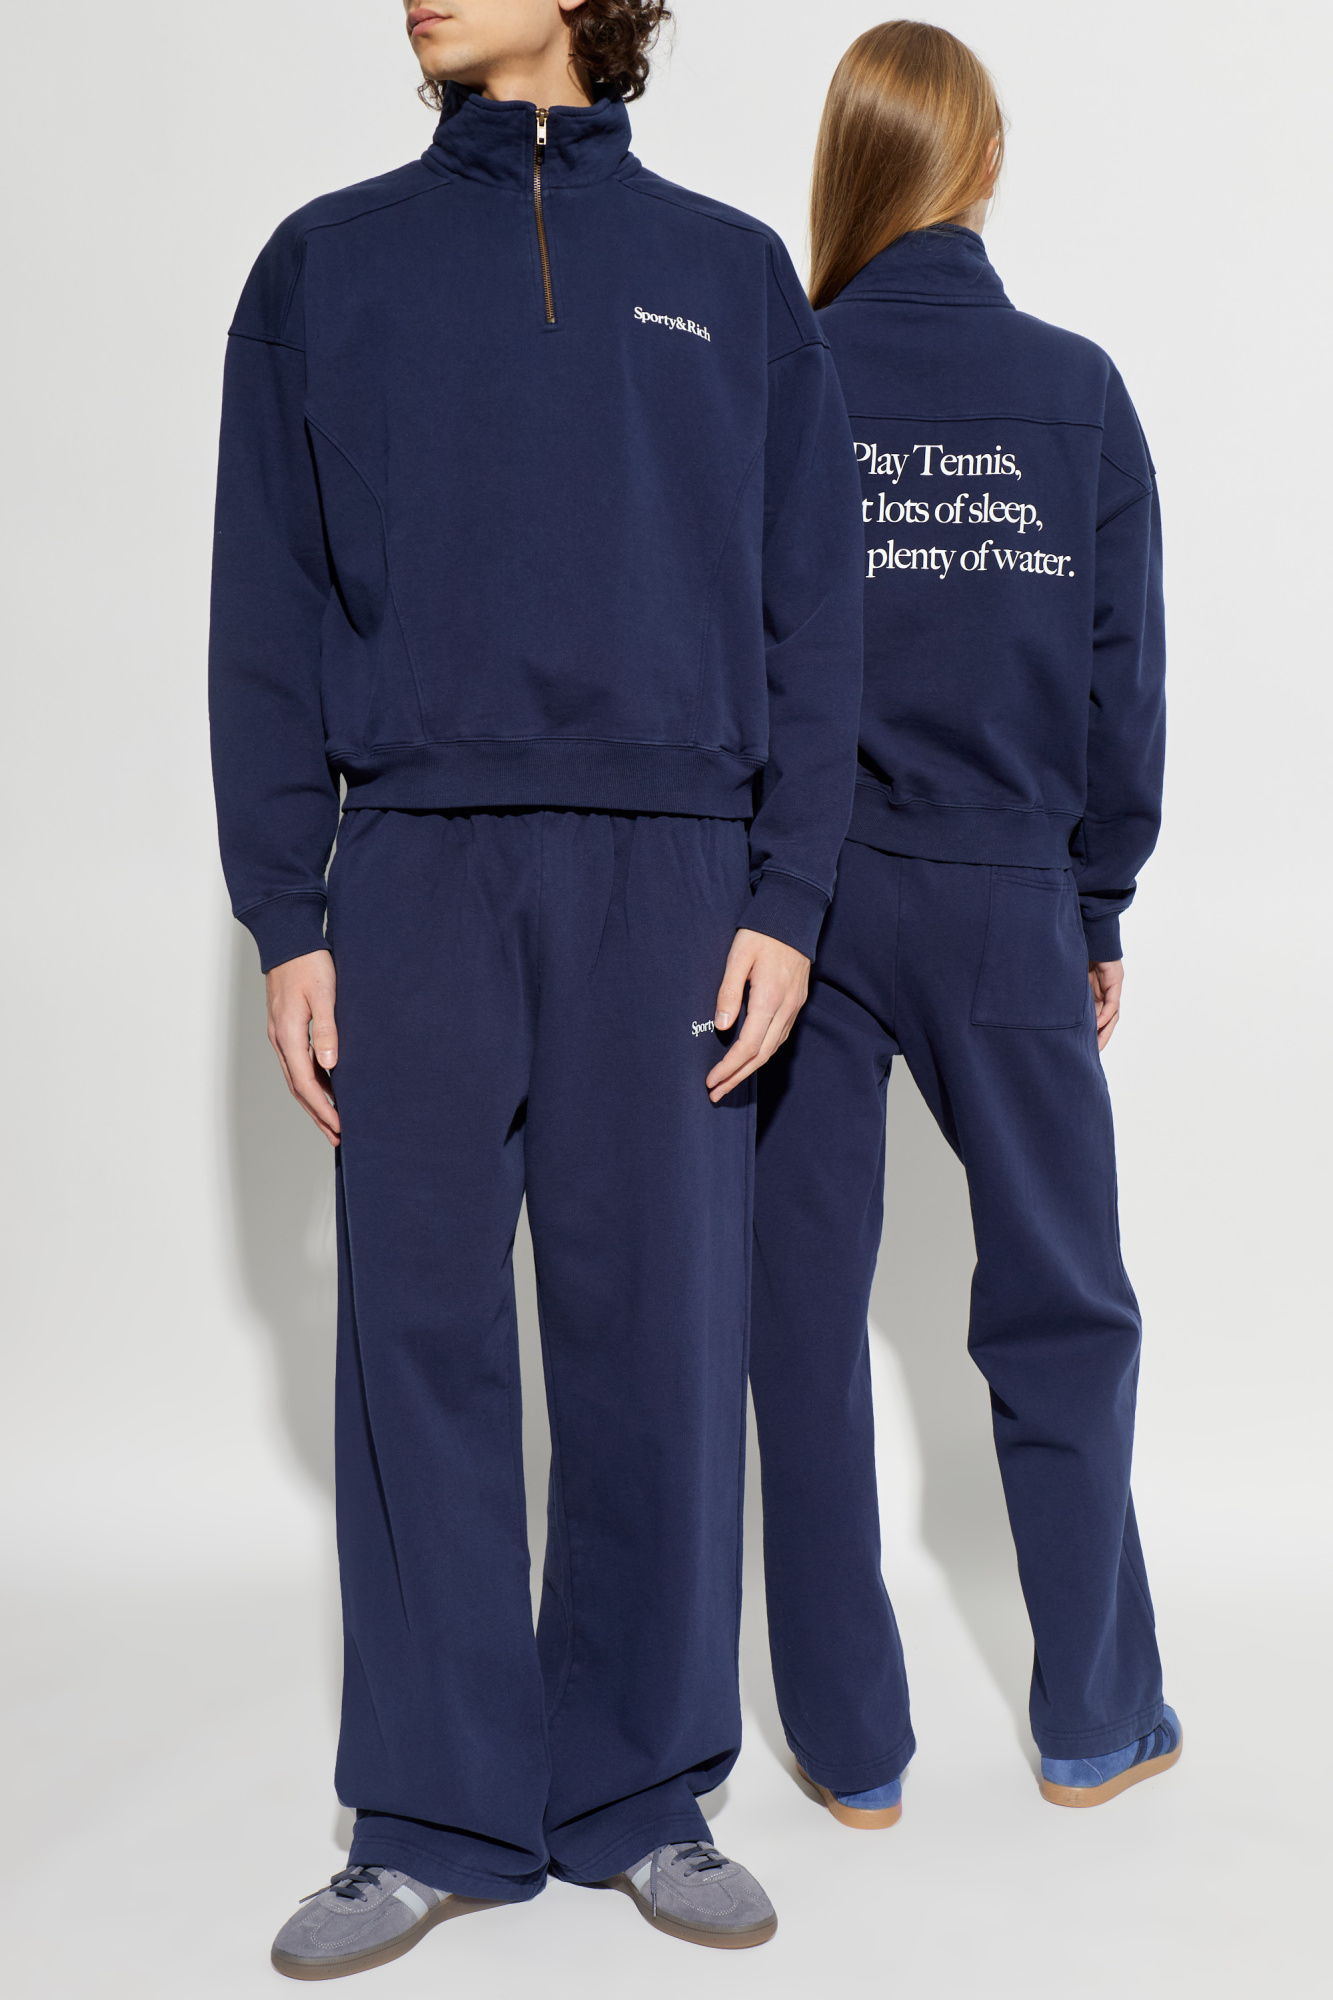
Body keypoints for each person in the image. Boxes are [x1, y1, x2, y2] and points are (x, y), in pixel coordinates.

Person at [209, 0, 864, 1974]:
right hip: (413, 866)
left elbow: (814, 606)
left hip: (672, 875)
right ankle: (426, 1814)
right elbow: (265, 605)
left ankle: (642, 1790)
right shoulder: (324, 267)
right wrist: (287, 912)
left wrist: (789, 894)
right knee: (413, 1341)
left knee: (657, 1333)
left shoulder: (730, 278)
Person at [749, 19, 1179, 1834]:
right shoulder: (1074, 393)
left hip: (810, 905)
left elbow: (735, 656)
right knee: (1061, 1307)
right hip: (1008, 897)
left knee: (795, 1319)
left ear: (848, 166)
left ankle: (850, 1750)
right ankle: (1095, 1718)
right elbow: (1116, 678)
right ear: (982, 165)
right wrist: (1097, 893)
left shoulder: (778, 375)